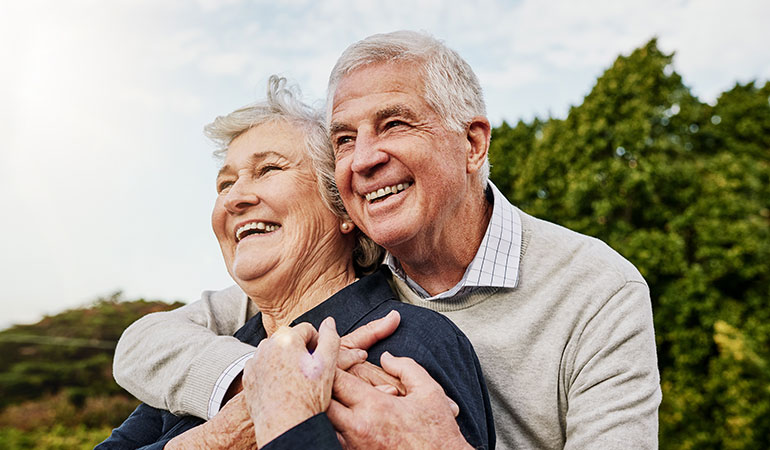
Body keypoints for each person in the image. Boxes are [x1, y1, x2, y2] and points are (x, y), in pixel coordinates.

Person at [114, 31, 661, 449]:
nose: (366, 158)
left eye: (395, 124)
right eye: (345, 138)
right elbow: (144, 345)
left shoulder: (597, 288)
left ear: (472, 143)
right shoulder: (290, 313)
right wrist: (248, 393)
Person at [98, 75, 494, 449]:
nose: (234, 199)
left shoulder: (409, 344)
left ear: (341, 208)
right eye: (225, 184)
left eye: (268, 169)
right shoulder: (214, 363)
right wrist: (221, 435)